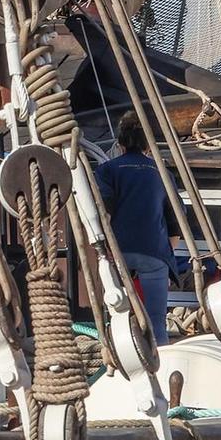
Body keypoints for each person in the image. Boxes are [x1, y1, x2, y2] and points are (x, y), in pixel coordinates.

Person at [95, 110, 181, 346]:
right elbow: (175, 223)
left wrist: (105, 251)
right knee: (157, 322)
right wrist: (166, 256)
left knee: (118, 316)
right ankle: (160, 362)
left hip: (118, 250)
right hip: (155, 252)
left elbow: (104, 212)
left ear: (120, 142)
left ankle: (119, 359)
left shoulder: (107, 171)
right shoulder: (162, 173)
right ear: (148, 143)